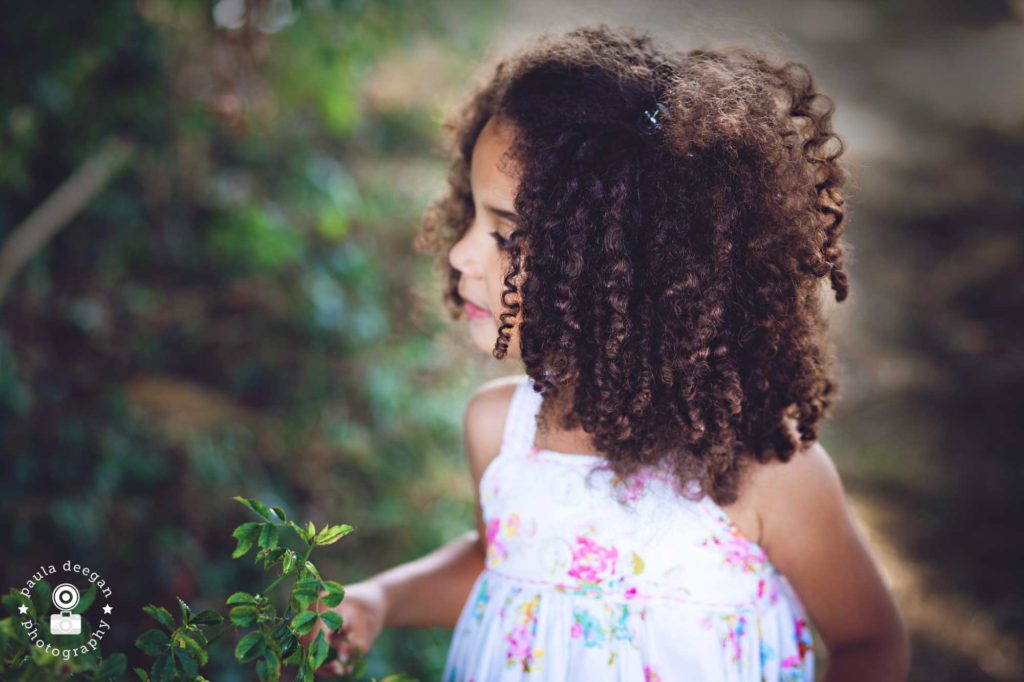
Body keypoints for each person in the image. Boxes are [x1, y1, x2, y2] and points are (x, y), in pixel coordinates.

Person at [307, 23, 910, 681]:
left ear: (619, 268)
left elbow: (868, 641)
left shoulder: (761, 468)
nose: (460, 252)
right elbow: (505, 561)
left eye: (506, 235)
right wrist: (380, 599)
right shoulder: (500, 430)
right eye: (472, 217)